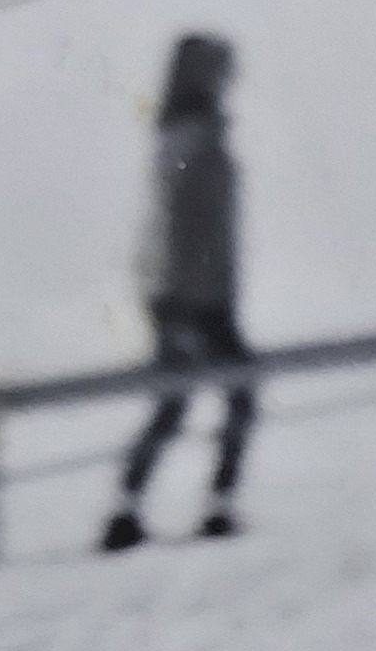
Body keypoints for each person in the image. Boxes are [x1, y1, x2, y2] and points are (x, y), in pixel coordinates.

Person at [99, 33, 257, 554]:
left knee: (208, 399)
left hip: (200, 293)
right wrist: (183, 311)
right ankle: (144, 510)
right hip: (191, 298)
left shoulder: (191, 135)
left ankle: (168, 507)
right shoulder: (193, 138)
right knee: (196, 400)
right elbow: (184, 228)